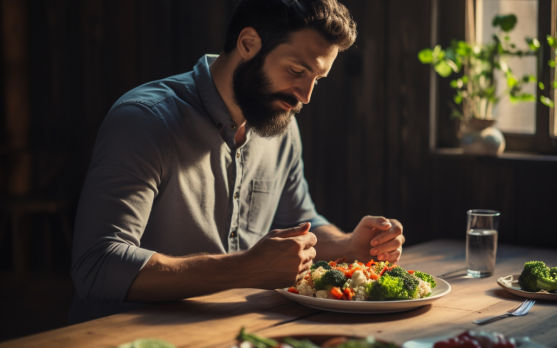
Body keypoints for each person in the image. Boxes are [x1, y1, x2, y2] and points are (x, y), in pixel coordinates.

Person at [69, 0, 405, 324]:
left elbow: (302, 223)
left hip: (232, 331)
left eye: (317, 79)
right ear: (248, 43)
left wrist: (348, 245)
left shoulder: (280, 124)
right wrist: (247, 268)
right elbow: (96, 266)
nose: (305, 96)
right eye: (296, 71)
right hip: (124, 334)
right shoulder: (145, 120)